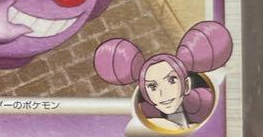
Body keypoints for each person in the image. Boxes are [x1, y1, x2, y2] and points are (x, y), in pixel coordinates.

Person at [93, 20, 232, 130]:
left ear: (186, 85)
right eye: (152, 87)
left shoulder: (207, 103)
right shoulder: (145, 118)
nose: (163, 92)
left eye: (172, 80)